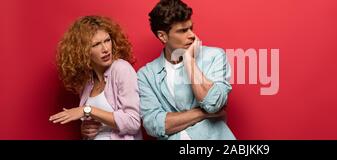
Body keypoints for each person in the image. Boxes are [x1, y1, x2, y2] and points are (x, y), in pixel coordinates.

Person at [138, 0, 235, 140]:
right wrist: (203, 113)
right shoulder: (146, 75)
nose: (192, 35)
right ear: (162, 36)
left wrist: (189, 59)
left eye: (191, 28)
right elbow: (154, 125)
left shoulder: (215, 56)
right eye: (183, 31)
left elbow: (213, 104)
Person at [49, 15, 142, 140]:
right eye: (96, 44)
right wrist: (86, 131)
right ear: (83, 51)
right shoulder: (87, 82)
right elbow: (98, 126)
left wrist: (87, 110)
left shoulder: (121, 69)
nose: (105, 49)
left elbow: (133, 122)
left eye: (107, 40)